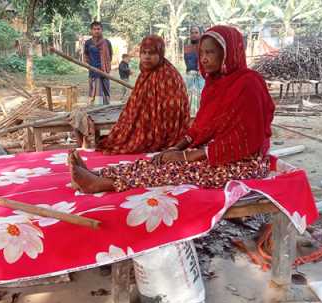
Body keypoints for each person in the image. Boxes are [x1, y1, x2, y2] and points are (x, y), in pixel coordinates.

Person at [69, 25, 275, 194]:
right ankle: (102, 174)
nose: (203, 59)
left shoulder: (248, 83)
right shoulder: (215, 83)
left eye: (210, 52)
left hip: (245, 161)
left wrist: (188, 157)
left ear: (228, 52)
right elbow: (202, 126)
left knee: (178, 172)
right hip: (216, 151)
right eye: (201, 52)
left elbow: (246, 139)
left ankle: (103, 184)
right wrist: (177, 148)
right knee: (157, 161)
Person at [96, 35, 190, 155]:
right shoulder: (145, 74)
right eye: (143, 52)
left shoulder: (169, 76)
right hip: (144, 128)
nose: (146, 57)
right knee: (118, 140)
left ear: (160, 54)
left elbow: (172, 112)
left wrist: (152, 131)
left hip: (165, 132)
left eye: (151, 53)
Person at [84, 21, 112, 105]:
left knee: (105, 91)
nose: (96, 31)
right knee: (93, 91)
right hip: (93, 72)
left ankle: (105, 108)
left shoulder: (106, 42)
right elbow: (86, 55)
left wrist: (104, 67)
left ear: (102, 30)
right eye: (94, 29)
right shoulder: (88, 43)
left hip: (104, 72)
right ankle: (95, 108)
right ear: (91, 31)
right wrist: (89, 65)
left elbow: (110, 56)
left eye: (98, 29)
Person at [184, 26, 205, 117]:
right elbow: (187, 63)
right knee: (187, 101)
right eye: (192, 32)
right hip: (189, 77)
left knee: (201, 101)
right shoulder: (186, 47)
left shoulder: (203, 47)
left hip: (200, 77)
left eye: (196, 32)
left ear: (200, 34)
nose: (194, 35)